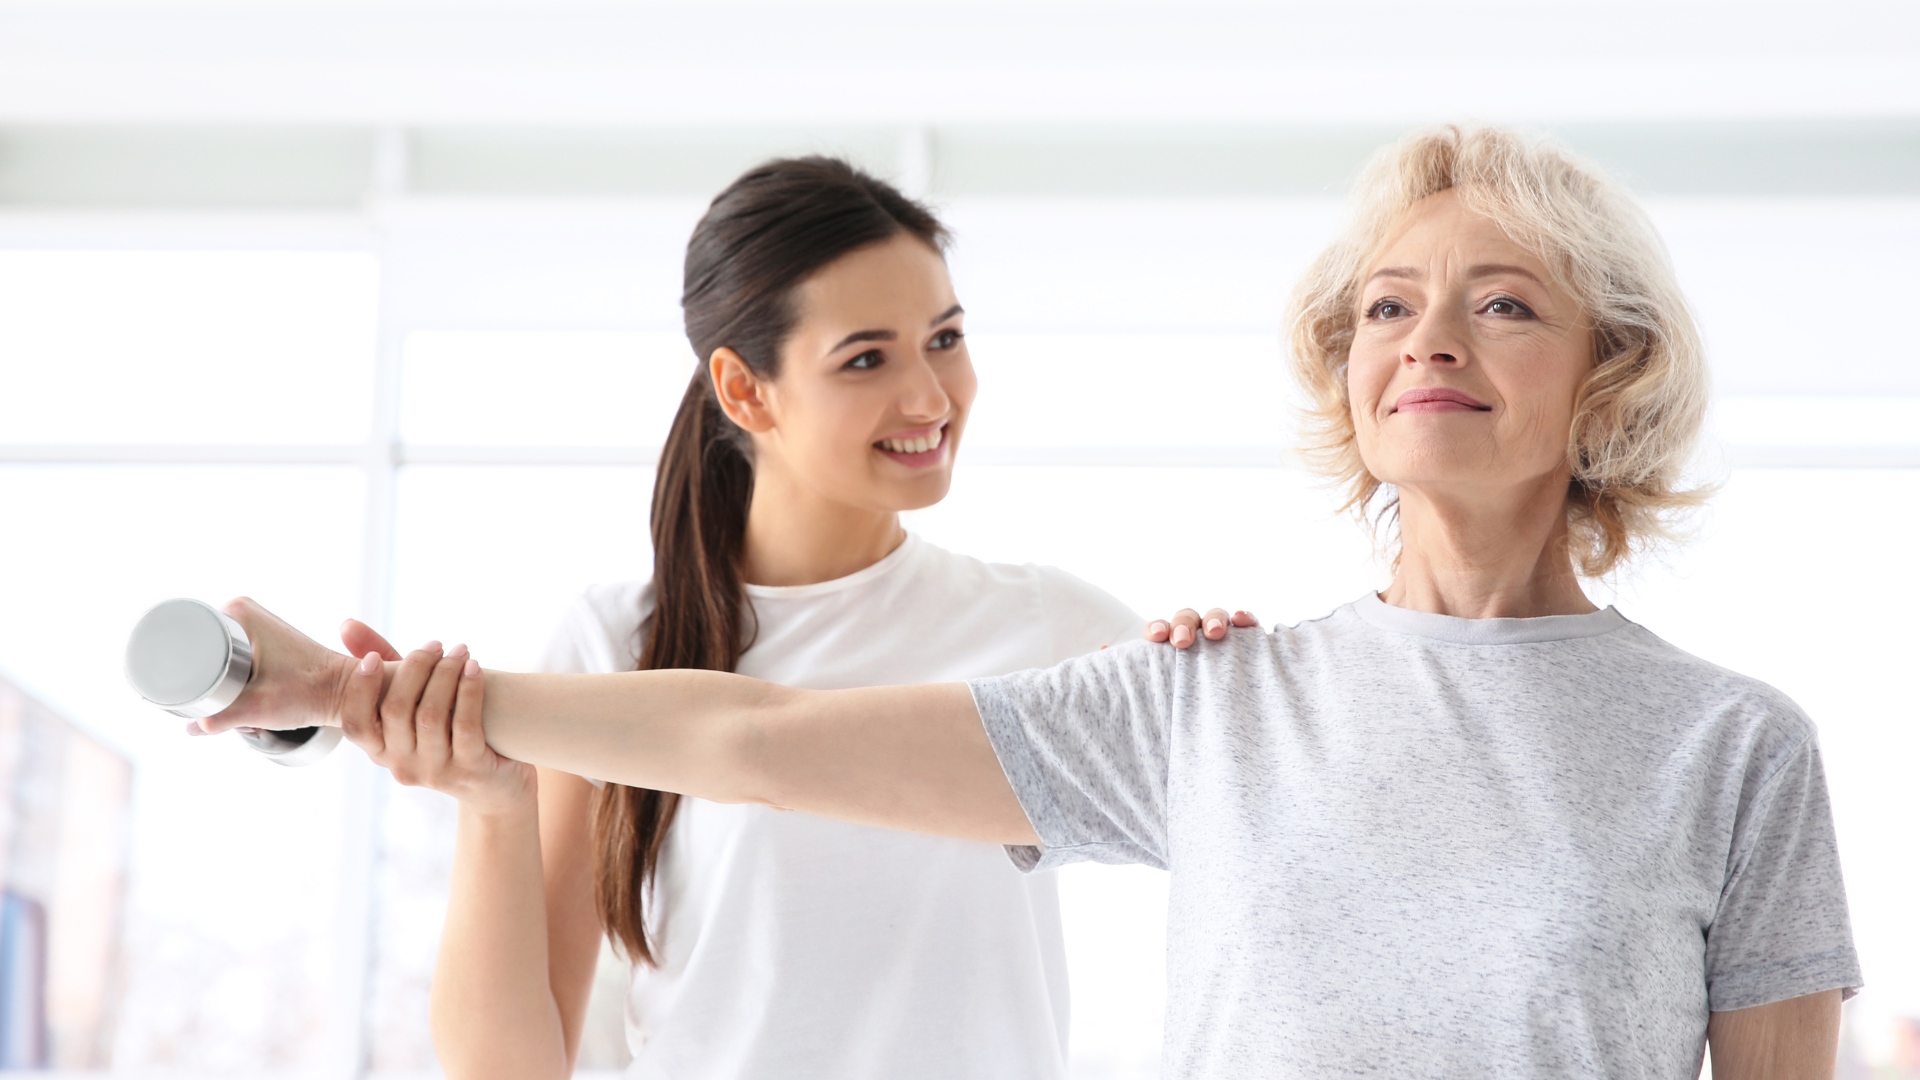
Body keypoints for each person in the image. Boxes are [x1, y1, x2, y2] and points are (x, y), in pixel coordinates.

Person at [210, 126, 1860, 1079]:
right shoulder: (1212, 703)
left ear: (1609, 380)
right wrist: (359, 696)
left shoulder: (1730, 747)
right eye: (1386, 305)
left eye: (1501, 305)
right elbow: (755, 734)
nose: (1427, 338)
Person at [291, 156, 1230, 1080]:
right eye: (867, 358)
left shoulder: (1048, 626)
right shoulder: (617, 643)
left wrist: (1211, 666)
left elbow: (1236, 808)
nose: (932, 398)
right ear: (744, 388)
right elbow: (509, 1069)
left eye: (944, 338)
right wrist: (493, 800)